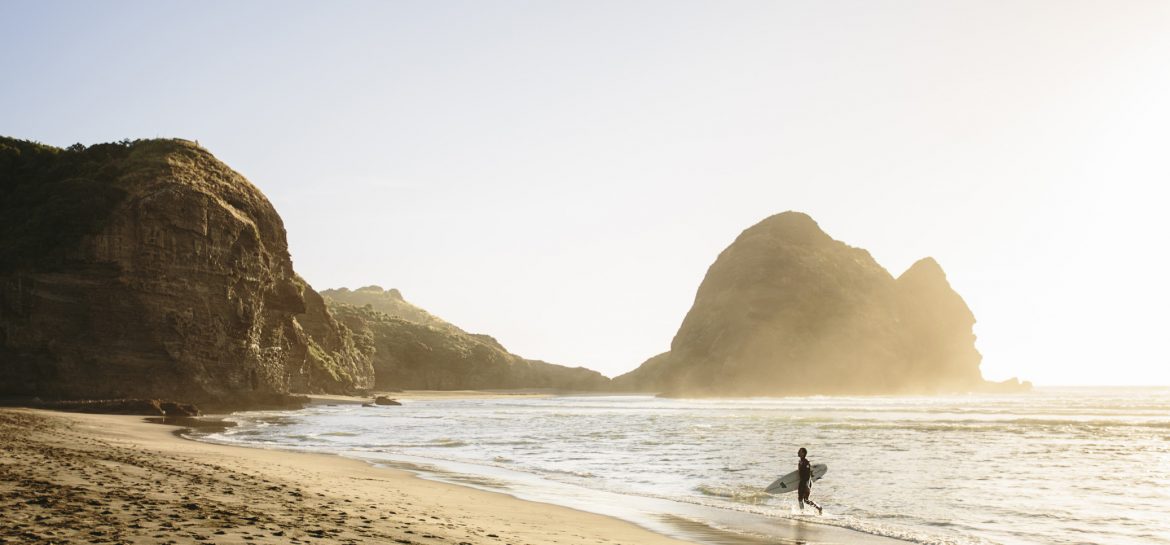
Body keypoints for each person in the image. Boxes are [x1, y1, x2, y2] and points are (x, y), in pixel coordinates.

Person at [797, 447, 822, 514]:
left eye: (800, 451)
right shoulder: (800, 462)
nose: (798, 452)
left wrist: (807, 485)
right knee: (805, 500)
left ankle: (802, 513)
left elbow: (808, 475)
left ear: (803, 453)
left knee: (801, 499)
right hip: (802, 482)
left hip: (805, 482)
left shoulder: (806, 462)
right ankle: (818, 508)